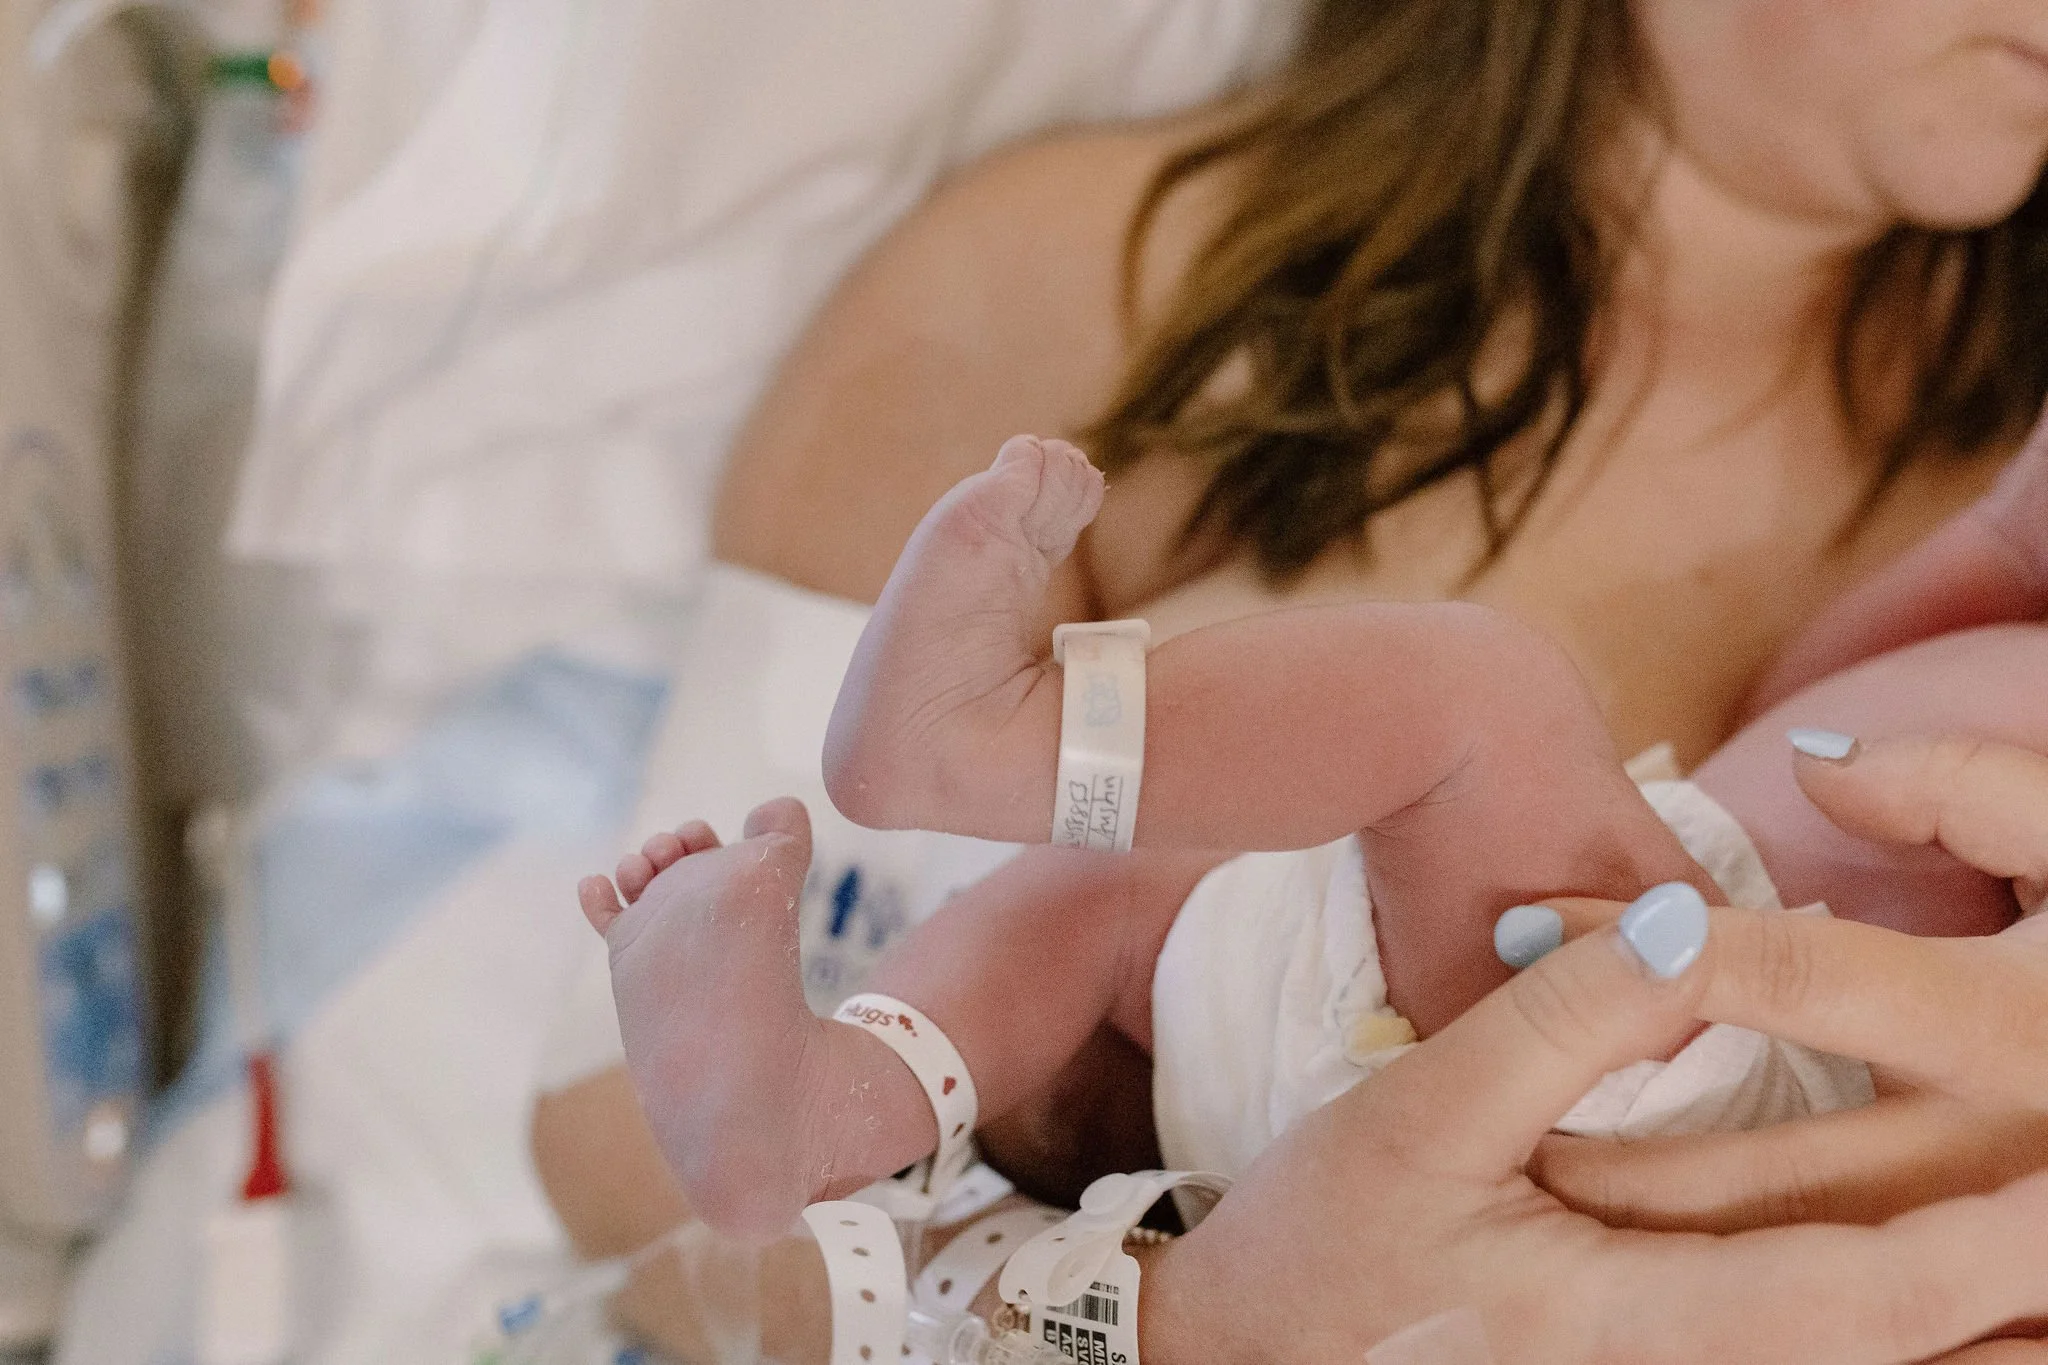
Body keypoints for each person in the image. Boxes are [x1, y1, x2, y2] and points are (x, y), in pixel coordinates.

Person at [534, 0, 2048, 1351]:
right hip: (1130, 1150)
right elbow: (622, 1133)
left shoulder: (2014, 453)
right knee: (1145, 885)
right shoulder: (1099, 283)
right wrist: (1160, 1329)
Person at [576, 418, 2046, 1240]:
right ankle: (829, 1104)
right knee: (1120, 886)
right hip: (1619, 977)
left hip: (1721, 1100)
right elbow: (1839, 699)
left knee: (1477, 700)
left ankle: (985, 744)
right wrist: (2007, 535)